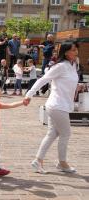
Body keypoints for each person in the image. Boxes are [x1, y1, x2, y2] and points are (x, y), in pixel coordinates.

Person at [24, 41, 79, 174]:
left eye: (76, 49)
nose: (76, 52)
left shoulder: (74, 65)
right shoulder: (60, 66)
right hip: (57, 106)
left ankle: (38, 161)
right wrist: (29, 94)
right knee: (65, 134)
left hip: (62, 105)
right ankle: (62, 163)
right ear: (66, 52)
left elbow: (68, 83)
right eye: (73, 50)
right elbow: (43, 79)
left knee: (52, 134)